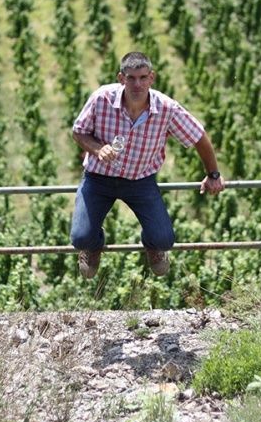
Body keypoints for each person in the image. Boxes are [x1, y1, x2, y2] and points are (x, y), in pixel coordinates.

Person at [70, 51, 225, 279]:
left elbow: (199, 137)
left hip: (140, 181)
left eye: (143, 77)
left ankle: (153, 247)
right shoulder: (101, 98)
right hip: (98, 178)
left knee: (164, 239)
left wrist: (213, 174)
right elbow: (78, 132)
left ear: (152, 77)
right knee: (80, 238)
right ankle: (92, 246)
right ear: (121, 78)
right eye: (131, 78)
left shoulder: (167, 108)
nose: (137, 84)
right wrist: (97, 149)